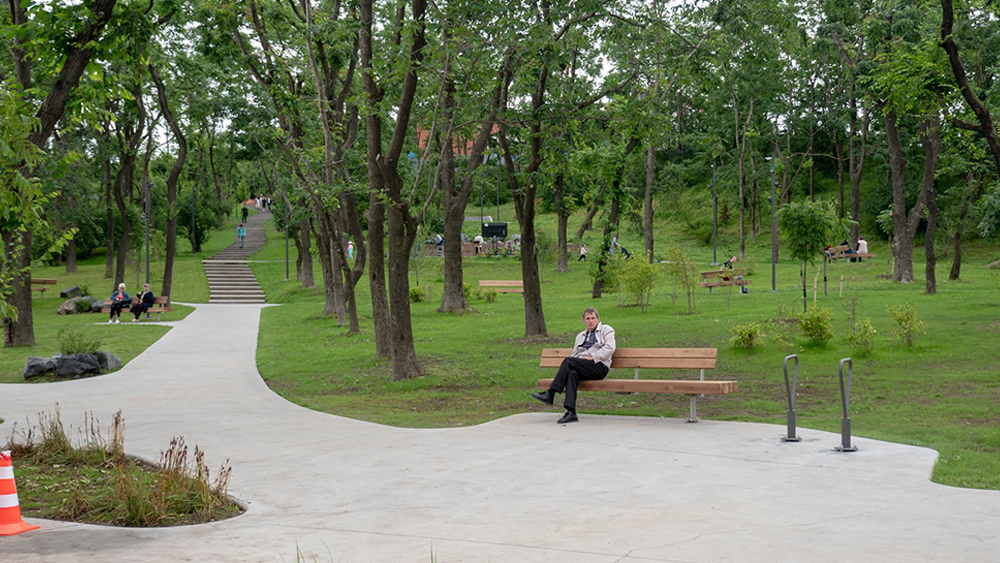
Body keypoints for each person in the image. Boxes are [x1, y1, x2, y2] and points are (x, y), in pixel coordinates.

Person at [531, 308, 616, 424]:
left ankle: (550, 393)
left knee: (568, 361)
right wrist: (576, 362)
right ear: (583, 321)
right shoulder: (580, 336)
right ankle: (570, 412)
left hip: (599, 366)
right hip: (582, 366)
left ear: (598, 319)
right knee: (572, 373)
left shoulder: (606, 330)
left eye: (593, 318)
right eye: (588, 319)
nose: (591, 321)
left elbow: (610, 347)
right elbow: (575, 355)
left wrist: (593, 356)